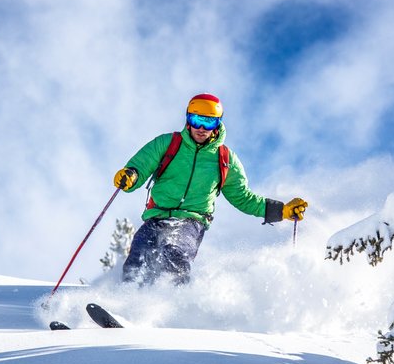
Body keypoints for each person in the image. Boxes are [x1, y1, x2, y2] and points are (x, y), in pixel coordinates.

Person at [113, 93, 308, 285]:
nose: (201, 128)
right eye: (196, 120)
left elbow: (243, 198)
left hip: (191, 221)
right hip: (157, 216)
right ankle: (128, 301)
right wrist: (131, 175)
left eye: (209, 123)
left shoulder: (224, 159)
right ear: (188, 120)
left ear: (218, 124)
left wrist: (281, 211)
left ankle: (173, 303)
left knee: (174, 252)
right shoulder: (168, 143)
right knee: (138, 256)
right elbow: (141, 165)